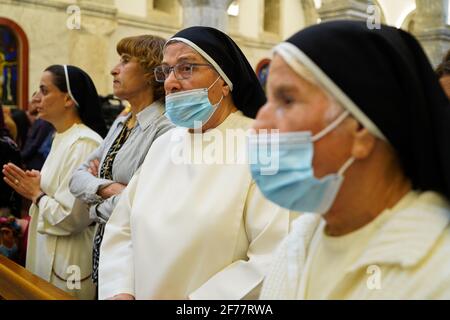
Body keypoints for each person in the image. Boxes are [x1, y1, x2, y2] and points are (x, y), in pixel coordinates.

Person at [248, 20, 450, 300]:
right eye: (267, 100)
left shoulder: (438, 271)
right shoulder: (302, 238)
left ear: (360, 130)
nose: (258, 125)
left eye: (287, 100)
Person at [98, 26, 292, 300]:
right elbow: (122, 227)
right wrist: (120, 291)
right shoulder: (164, 145)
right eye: (166, 71)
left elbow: (273, 256)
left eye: (186, 68)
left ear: (224, 81)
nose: (170, 83)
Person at [69, 35, 174, 288]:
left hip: (137, 257)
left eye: (125, 61)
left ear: (151, 72)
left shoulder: (166, 129)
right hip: (104, 249)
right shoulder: (121, 122)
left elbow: (144, 204)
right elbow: (75, 178)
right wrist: (110, 188)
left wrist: (92, 207)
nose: (114, 69)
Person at [2, 64, 106, 299]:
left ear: (68, 99)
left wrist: (36, 194)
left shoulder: (84, 143)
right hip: (48, 251)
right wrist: (40, 183)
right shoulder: (62, 136)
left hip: (67, 261)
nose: (36, 98)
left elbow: (73, 217)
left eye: (44, 90)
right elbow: (59, 191)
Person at [21, 92, 54, 170]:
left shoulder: (44, 122)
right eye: (31, 101)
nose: (30, 104)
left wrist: (21, 157)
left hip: (36, 166)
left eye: (35, 102)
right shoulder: (38, 120)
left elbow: (35, 145)